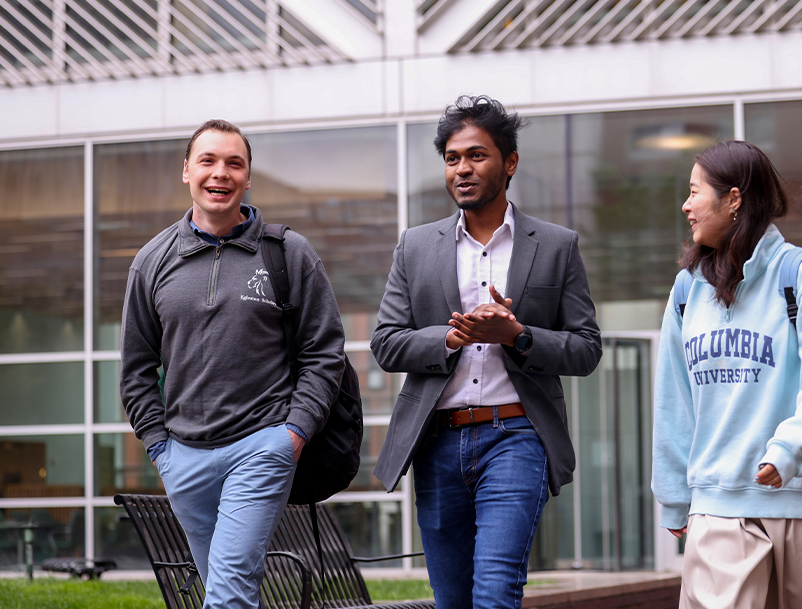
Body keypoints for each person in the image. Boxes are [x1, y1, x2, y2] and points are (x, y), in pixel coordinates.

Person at [370, 95, 602, 609]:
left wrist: (517, 336)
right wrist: (451, 338)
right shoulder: (415, 246)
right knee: (452, 599)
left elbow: (586, 349)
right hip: (436, 441)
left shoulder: (557, 245)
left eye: (476, 155)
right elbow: (386, 343)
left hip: (516, 436)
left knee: (496, 591)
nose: (462, 169)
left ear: (510, 162)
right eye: (452, 158)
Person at [120, 119, 345, 609]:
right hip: (184, 458)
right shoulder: (153, 261)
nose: (220, 173)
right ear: (186, 171)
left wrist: (293, 434)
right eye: (208, 161)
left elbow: (324, 352)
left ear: (248, 177)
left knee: (226, 592)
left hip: (262, 446)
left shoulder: (288, 253)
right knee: (231, 589)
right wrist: (160, 449)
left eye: (233, 163)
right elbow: (136, 368)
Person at [652, 140, 802, 609]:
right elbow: (673, 398)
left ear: (734, 198)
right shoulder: (686, 291)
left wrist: (789, 451)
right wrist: (676, 494)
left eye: (695, 191)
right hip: (718, 502)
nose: (686, 205)